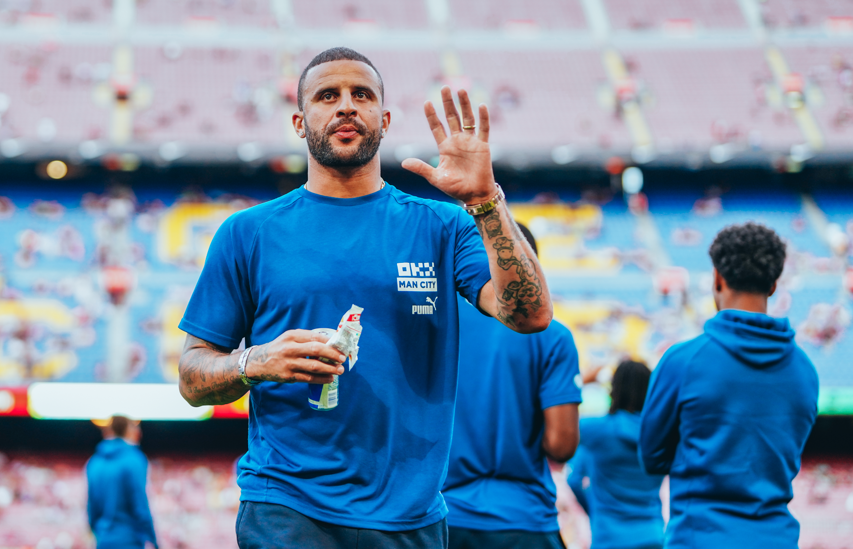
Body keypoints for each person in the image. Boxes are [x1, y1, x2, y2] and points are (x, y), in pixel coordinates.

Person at [176, 47, 553, 549]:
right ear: (299, 121)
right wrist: (256, 361)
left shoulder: (442, 226)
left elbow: (530, 314)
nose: (346, 106)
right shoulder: (247, 233)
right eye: (327, 95)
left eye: (362, 95)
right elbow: (192, 379)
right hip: (286, 508)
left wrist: (485, 202)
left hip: (410, 515)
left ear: (386, 118)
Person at [640, 222, 819, 549]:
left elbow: (652, 457)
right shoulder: (806, 371)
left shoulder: (683, 361)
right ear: (774, 285)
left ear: (717, 279)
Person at [443, 223, 579, 549]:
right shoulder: (553, 336)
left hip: (446, 516)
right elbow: (561, 445)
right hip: (524, 519)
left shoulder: (438, 325)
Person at [567, 360, 665, 549]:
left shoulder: (600, 430)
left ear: (614, 388)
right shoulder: (661, 434)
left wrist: (583, 381)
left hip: (610, 537)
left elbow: (558, 423)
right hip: (653, 534)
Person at [86, 416, 158, 549]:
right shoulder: (134, 459)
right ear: (128, 430)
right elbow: (140, 506)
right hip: (129, 541)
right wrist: (154, 540)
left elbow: (91, 506)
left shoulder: (94, 462)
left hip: (103, 540)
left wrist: (98, 533)